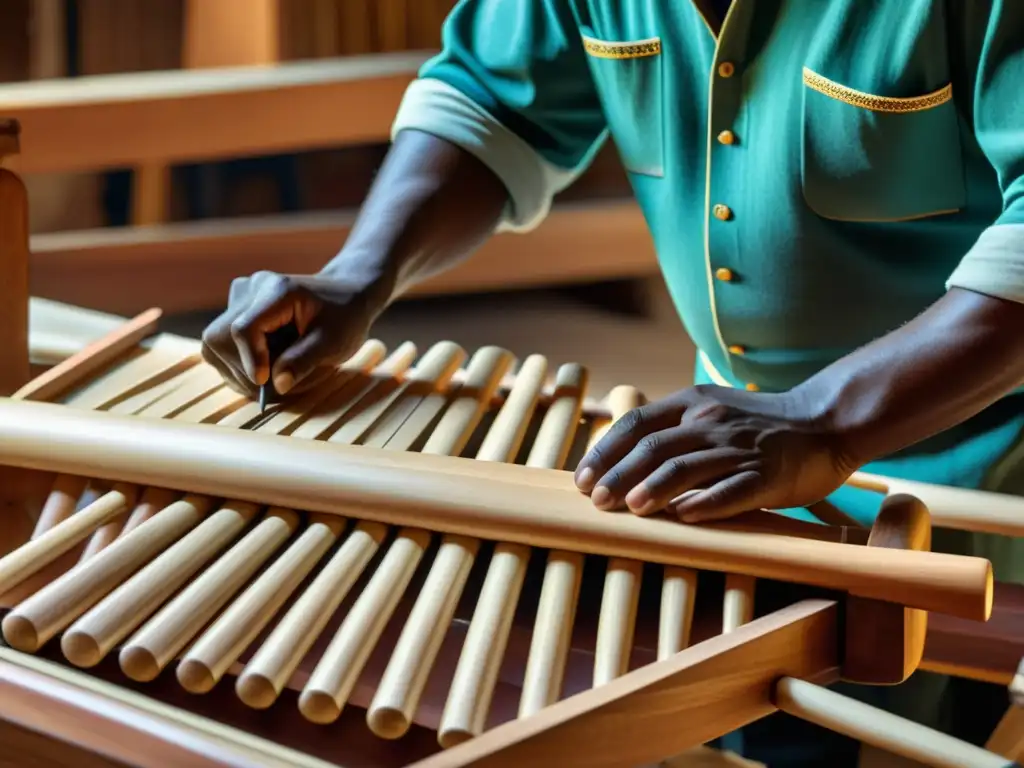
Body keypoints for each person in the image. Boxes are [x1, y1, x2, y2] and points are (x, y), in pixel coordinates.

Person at [202, 1, 1024, 764]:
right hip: (740, 435)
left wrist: (825, 417)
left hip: (980, 456)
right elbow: (497, 101)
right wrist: (360, 274)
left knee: (906, 724)